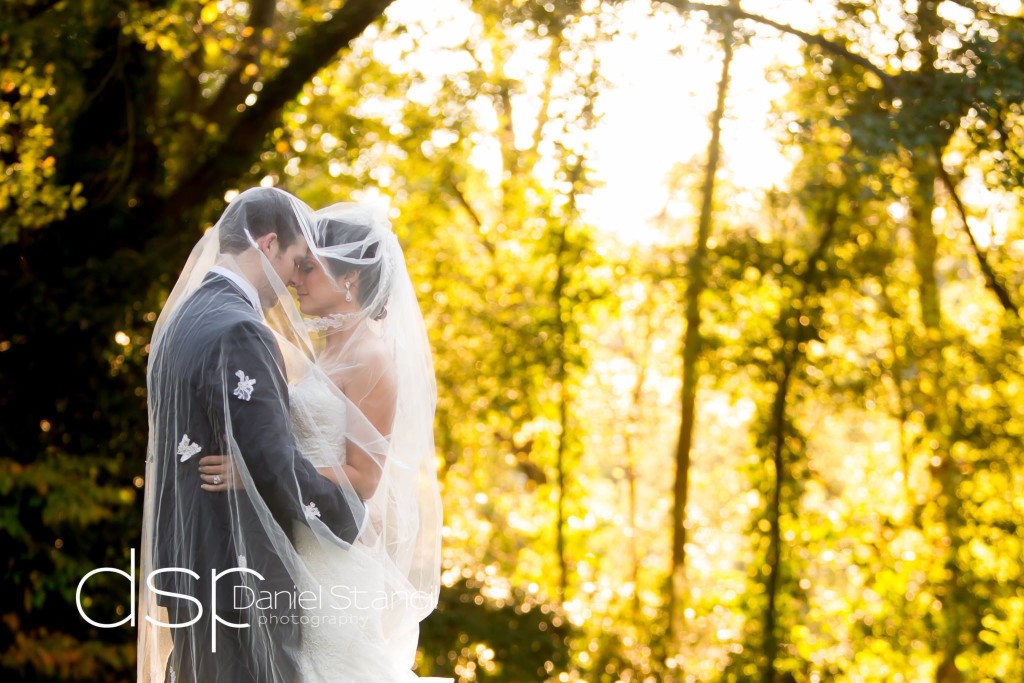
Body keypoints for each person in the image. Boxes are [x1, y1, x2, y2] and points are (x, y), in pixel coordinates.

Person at [196, 202, 449, 682]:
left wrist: (253, 478)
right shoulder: (329, 354)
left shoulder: (372, 357)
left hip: (334, 557)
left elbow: (365, 479)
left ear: (349, 279)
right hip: (298, 541)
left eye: (309, 267)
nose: (295, 278)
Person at [137, 187, 366, 683]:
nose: (295, 279)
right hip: (240, 574)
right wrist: (347, 511)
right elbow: (271, 464)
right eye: (296, 261)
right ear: (267, 245)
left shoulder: (182, 320)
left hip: (186, 558)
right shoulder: (242, 328)